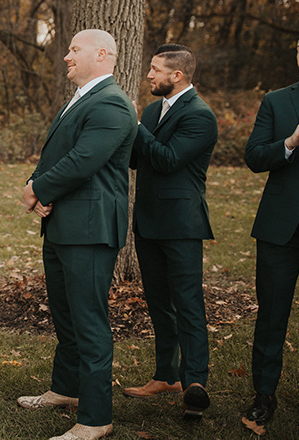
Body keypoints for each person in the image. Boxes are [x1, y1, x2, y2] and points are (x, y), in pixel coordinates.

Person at [17, 29, 137, 440]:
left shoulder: (114, 104)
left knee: (88, 320)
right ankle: (65, 390)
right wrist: (40, 185)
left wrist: (37, 189)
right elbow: (57, 153)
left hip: (90, 229)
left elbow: (84, 160)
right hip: (64, 224)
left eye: (74, 50)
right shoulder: (83, 98)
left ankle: (96, 418)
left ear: (102, 54)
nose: (66, 56)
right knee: (65, 314)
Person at [243, 22, 299, 433]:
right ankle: (264, 395)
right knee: (271, 315)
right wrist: (291, 143)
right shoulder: (276, 101)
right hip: (278, 228)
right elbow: (254, 156)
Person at [122, 44, 218, 420]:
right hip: (148, 221)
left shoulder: (200, 116)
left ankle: (195, 382)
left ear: (176, 76)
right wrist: (131, 131)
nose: (149, 75)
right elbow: (136, 159)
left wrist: (136, 128)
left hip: (181, 224)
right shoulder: (151, 110)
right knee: (159, 302)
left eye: (155, 69)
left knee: (188, 303)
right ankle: (166, 374)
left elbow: (167, 160)